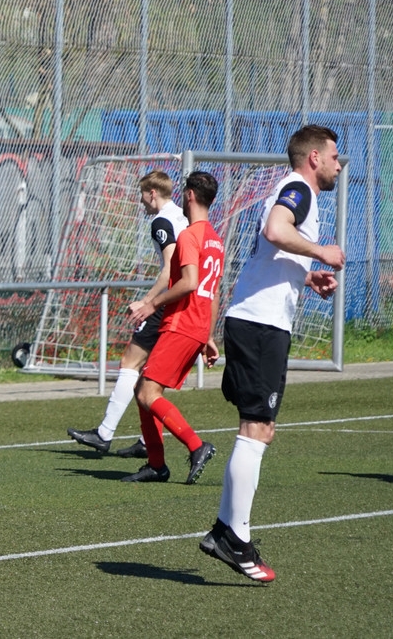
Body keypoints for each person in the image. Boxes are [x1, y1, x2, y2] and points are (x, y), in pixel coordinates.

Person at [200, 125, 344, 583]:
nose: (339, 166)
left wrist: (306, 275)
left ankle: (225, 530)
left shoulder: (293, 190)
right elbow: (276, 230)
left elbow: (270, 250)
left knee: (258, 429)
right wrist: (320, 252)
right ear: (314, 158)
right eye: (334, 157)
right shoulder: (299, 189)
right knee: (256, 429)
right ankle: (235, 538)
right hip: (260, 325)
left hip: (258, 321)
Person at [67, 169, 188, 458]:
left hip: (167, 301)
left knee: (130, 362)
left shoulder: (161, 221)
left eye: (142, 196)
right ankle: (147, 442)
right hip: (182, 302)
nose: (141, 202)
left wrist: (147, 302)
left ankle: (104, 433)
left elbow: (170, 269)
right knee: (150, 374)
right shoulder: (182, 216)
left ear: (152, 194)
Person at [120, 171, 222, 485]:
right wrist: (209, 335)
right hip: (197, 325)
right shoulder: (215, 240)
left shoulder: (190, 236)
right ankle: (156, 465)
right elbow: (213, 292)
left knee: (147, 392)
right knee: (143, 389)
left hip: (181, 323)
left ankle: (196, 445)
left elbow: (189, 283)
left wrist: (152, 304)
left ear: (189, 195)